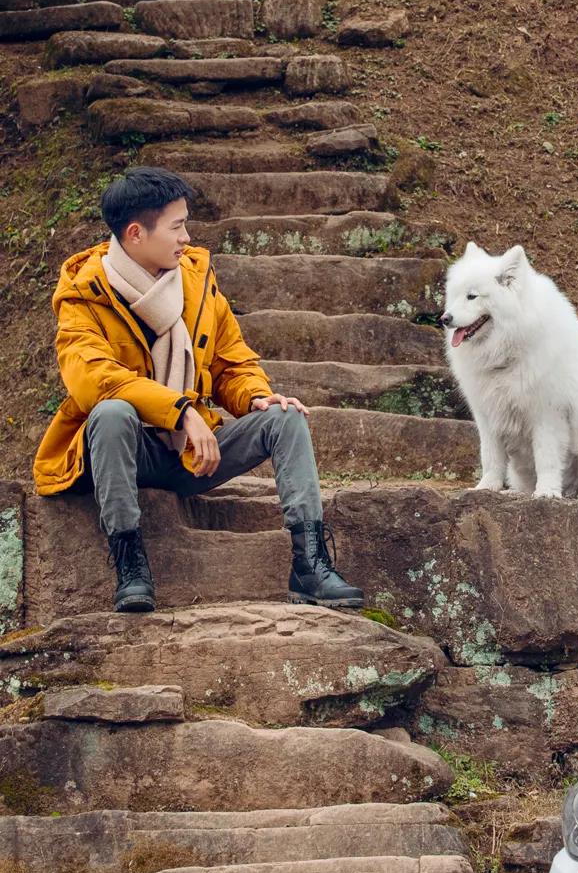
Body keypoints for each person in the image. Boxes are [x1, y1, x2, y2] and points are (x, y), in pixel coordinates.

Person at [32, 166, 363, 613]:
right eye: (176, 226)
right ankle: (130, 565)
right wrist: (182, 410)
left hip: (188, 453)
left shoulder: (195, 279)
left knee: (285, 417)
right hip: (123, 452)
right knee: (111, 412)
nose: (186, 237)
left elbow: (231, 362)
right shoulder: (82, 295)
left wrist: (255, 395)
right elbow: (95, 381)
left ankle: (310, 566)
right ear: (135, 233)